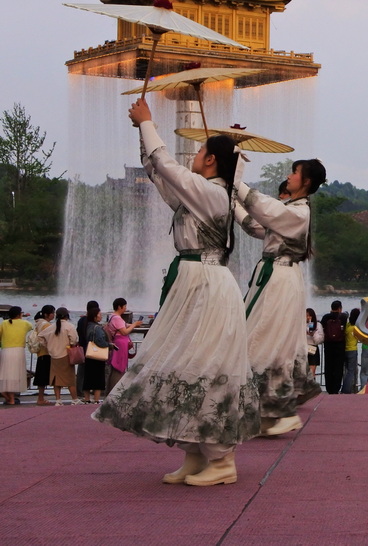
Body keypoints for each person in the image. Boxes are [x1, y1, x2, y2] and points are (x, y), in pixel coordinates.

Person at [94, 98, 259, 487]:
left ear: (212, 161)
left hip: (206, 284)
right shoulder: (200, 193)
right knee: (185, 363)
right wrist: (141, 132)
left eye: (201, 151)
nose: (195, 155)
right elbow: (159, 173)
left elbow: (169, 166)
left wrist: (149, 123)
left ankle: (222, 459)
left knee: (205, 364)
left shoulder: (215, 195)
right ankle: (194, 452)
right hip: (191, 281)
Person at [235, 158, 326, 435]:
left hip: (279, 278)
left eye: (294, 172)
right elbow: (256, 225)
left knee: (266, 340)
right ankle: (267, 412)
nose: (289, 175)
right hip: (272, 275)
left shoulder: (298, 213)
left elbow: (264, 209)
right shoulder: (290, 210)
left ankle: (282, 409)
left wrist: (235, 179)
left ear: (306, 182)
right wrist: (233, 202)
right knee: (262, 338)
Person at [38, 308, 81, 405]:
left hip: (54, 355)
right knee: (70, 379)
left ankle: (58, 400)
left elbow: (40, 336)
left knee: (55, 379)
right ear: (67, 316)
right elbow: (74, 340)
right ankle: (74, 399)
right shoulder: (69, 326)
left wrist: (48, 346)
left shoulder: (51, 327)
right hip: (66, 354)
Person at [105, 298, 141, 393]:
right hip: (120, 344)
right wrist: (134, 325)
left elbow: (124, 325)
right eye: (124, 306)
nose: (125, 308)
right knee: (119, 367)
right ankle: (116, 390)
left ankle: (111, 390)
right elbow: (124, 331)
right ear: (119, 307)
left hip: (118, 343)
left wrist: (133, 324)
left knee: (116, 367)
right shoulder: (117, 318)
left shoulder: (112, 316)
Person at [0, 306, 32, 405]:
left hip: (5, 351)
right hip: (19, 351)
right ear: (19, 314)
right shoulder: (25, 323)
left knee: (6, 375)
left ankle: (7, 396)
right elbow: (33, 328)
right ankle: (12, 399)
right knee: (15, 375)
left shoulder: (3, 324)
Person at [81, 307, 110, 404]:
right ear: (94, 316)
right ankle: (96, 399)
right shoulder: (97, 328)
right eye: (99, 314)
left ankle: (87, 398)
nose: (101, 316)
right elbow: (100, 341)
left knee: (88, 377)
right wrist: (109, 345)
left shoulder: (87, 325)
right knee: (98, 377)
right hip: (98, 356)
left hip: (89, 354)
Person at [32, 305, 56, 406]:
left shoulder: (39, 323)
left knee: (42, 377)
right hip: (46, 353)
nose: (54, 315)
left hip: (41, 353)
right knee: (45, 376)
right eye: (52, 313)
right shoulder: (46, 325)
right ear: (46, 314)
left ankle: (41, 398)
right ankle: (42, 398)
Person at [321, 301, 347, 394]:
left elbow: (322, 328)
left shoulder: (325, 317)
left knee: (328, 366)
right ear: (340, 308)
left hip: (328, 345)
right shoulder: (343, 317)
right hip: (340, 345)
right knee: (338, 367)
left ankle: (329, 388)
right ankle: (336, 388)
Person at [76, 300, 99, 398]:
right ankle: (93, 390)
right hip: (92, 349)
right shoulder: (92, 322)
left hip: (82, 348)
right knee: (92, 372)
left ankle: (80, 390)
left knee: (81, 371)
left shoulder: (81, 320)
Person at [343, 308, 360, 393]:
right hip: (353, 349)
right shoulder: (356, 328)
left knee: (347, 370)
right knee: (351, 371)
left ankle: (346, 388)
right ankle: (346, 390)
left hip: (345, 349)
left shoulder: (348, 326)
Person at [306, 308, 323, 378]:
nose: (308, 317)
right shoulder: (300, 325)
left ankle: (311, 385)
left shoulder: (318, 325)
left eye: (310, 316)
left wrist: (313, 334)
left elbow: (319, 340)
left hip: (312, 348)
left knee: (311, 372)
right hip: (303, 348)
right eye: (306, 316)